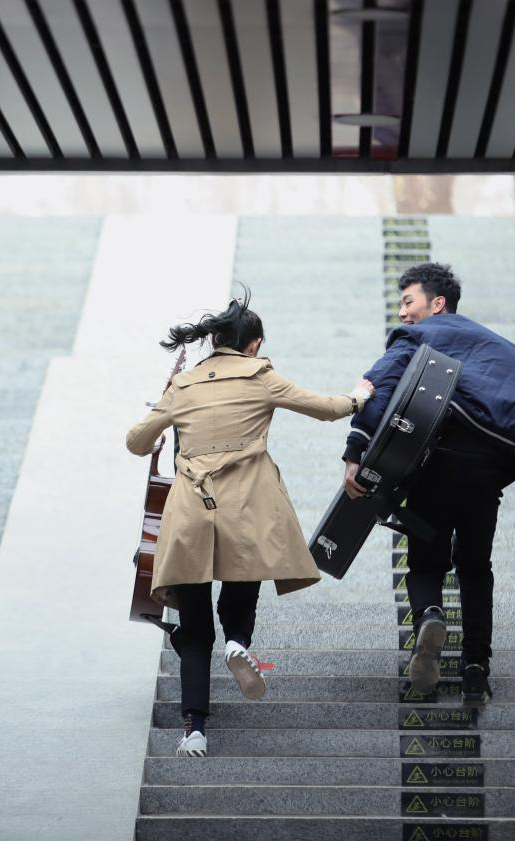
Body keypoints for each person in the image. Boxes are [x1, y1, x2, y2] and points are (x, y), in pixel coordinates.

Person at [127, 293, 373, 757]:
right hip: (248, 510)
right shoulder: (262, 378)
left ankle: (194, 731)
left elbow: (137, 442)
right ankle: (239, 642)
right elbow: (324, 407)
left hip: (191, 514)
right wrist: (359, 397)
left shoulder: (184, 385)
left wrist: (168, 401)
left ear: (214, 341)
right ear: (254, 345)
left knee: (194, 626)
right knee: (241, 593)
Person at [341, 262, 515, 706]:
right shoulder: (507, 349)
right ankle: (475, 672)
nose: (404, 313)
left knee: (426, 562)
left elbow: (378, 384)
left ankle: (429, 617)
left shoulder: (419, 336)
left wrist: (356, 451)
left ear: (437, 303)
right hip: (495, 463)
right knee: (475, 568)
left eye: (409, 302)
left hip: (442, 456)